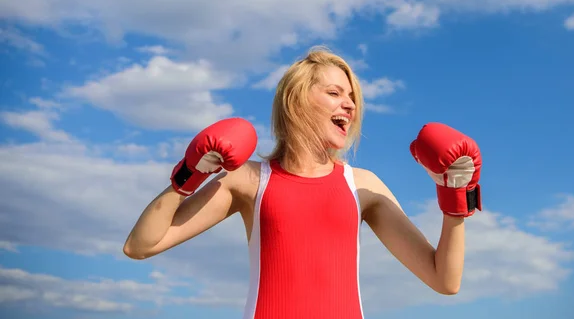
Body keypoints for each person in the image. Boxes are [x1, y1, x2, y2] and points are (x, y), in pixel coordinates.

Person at [123, 47, 483, 319]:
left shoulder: (362, 185)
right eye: (335, 93)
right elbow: (140, 246)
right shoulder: (248, 180)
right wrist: (189, 175)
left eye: (353, 97)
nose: (350, 105)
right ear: (297, 99)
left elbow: (444, 281)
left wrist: (454, 199)